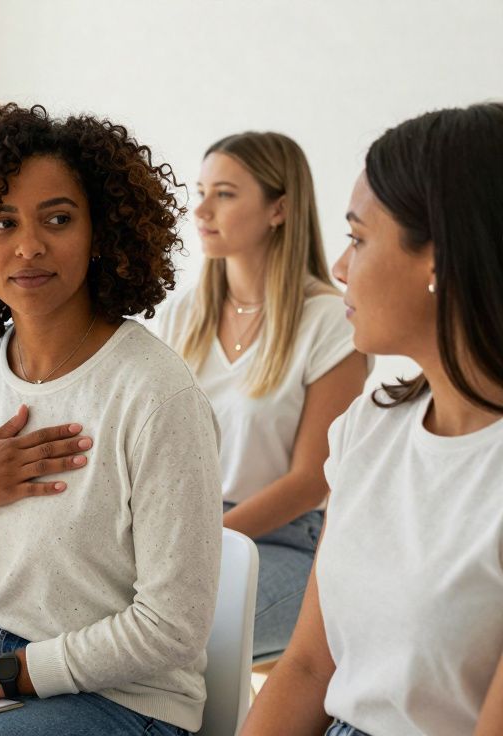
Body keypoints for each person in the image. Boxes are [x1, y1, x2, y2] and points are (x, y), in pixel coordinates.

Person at [0, 103, 222, 735]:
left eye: (58, 219)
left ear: (101, 233)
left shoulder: (155, 394)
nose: (29, 246)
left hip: (126, 701)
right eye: (2, 222)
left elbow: (171, 629)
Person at [242, 103, 503, 736]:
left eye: (358, 238)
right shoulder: (370, 427)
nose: (338, 268)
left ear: (440, 259)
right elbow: (306, 668)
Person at [153, 131, 368, 661]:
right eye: (201, 191)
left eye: (224, 193)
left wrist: (196, 542)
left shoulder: (329, 321)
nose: (201, 208)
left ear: (279, 209)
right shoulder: (183, 315)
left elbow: (310, 478)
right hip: (182, 529)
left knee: (173, 643)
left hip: (284, 542)